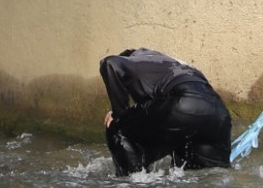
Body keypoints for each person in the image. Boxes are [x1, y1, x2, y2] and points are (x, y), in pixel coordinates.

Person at [99, 48, 232, 173]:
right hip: (219, 115)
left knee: (117, 128)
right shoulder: (174, 65)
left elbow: (110, 63)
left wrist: (119, 114)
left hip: (181, 103)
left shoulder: (136, 59)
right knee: (209, 173)